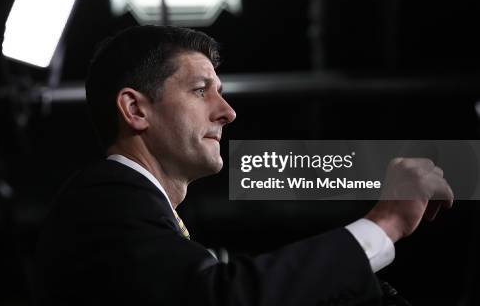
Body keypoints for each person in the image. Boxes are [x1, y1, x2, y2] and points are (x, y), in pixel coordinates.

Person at [32, 25, 454, 305]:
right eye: (201, 90)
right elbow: (218, 300)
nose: (227, 112)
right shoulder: (104, 198)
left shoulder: (138, 216)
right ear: (135, 109)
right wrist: (385, 224)